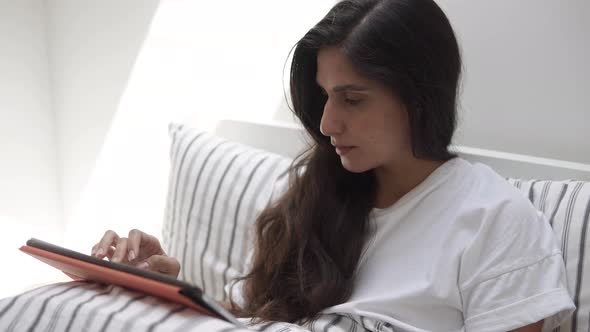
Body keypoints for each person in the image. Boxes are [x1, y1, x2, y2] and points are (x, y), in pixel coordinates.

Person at [91, 0, 575, 331]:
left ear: (420, 98)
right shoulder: (319, 195)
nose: (326, 124)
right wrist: (168, 290)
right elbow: (263, 317)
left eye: (352, 99)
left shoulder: (494, 219)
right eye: (324, 98)